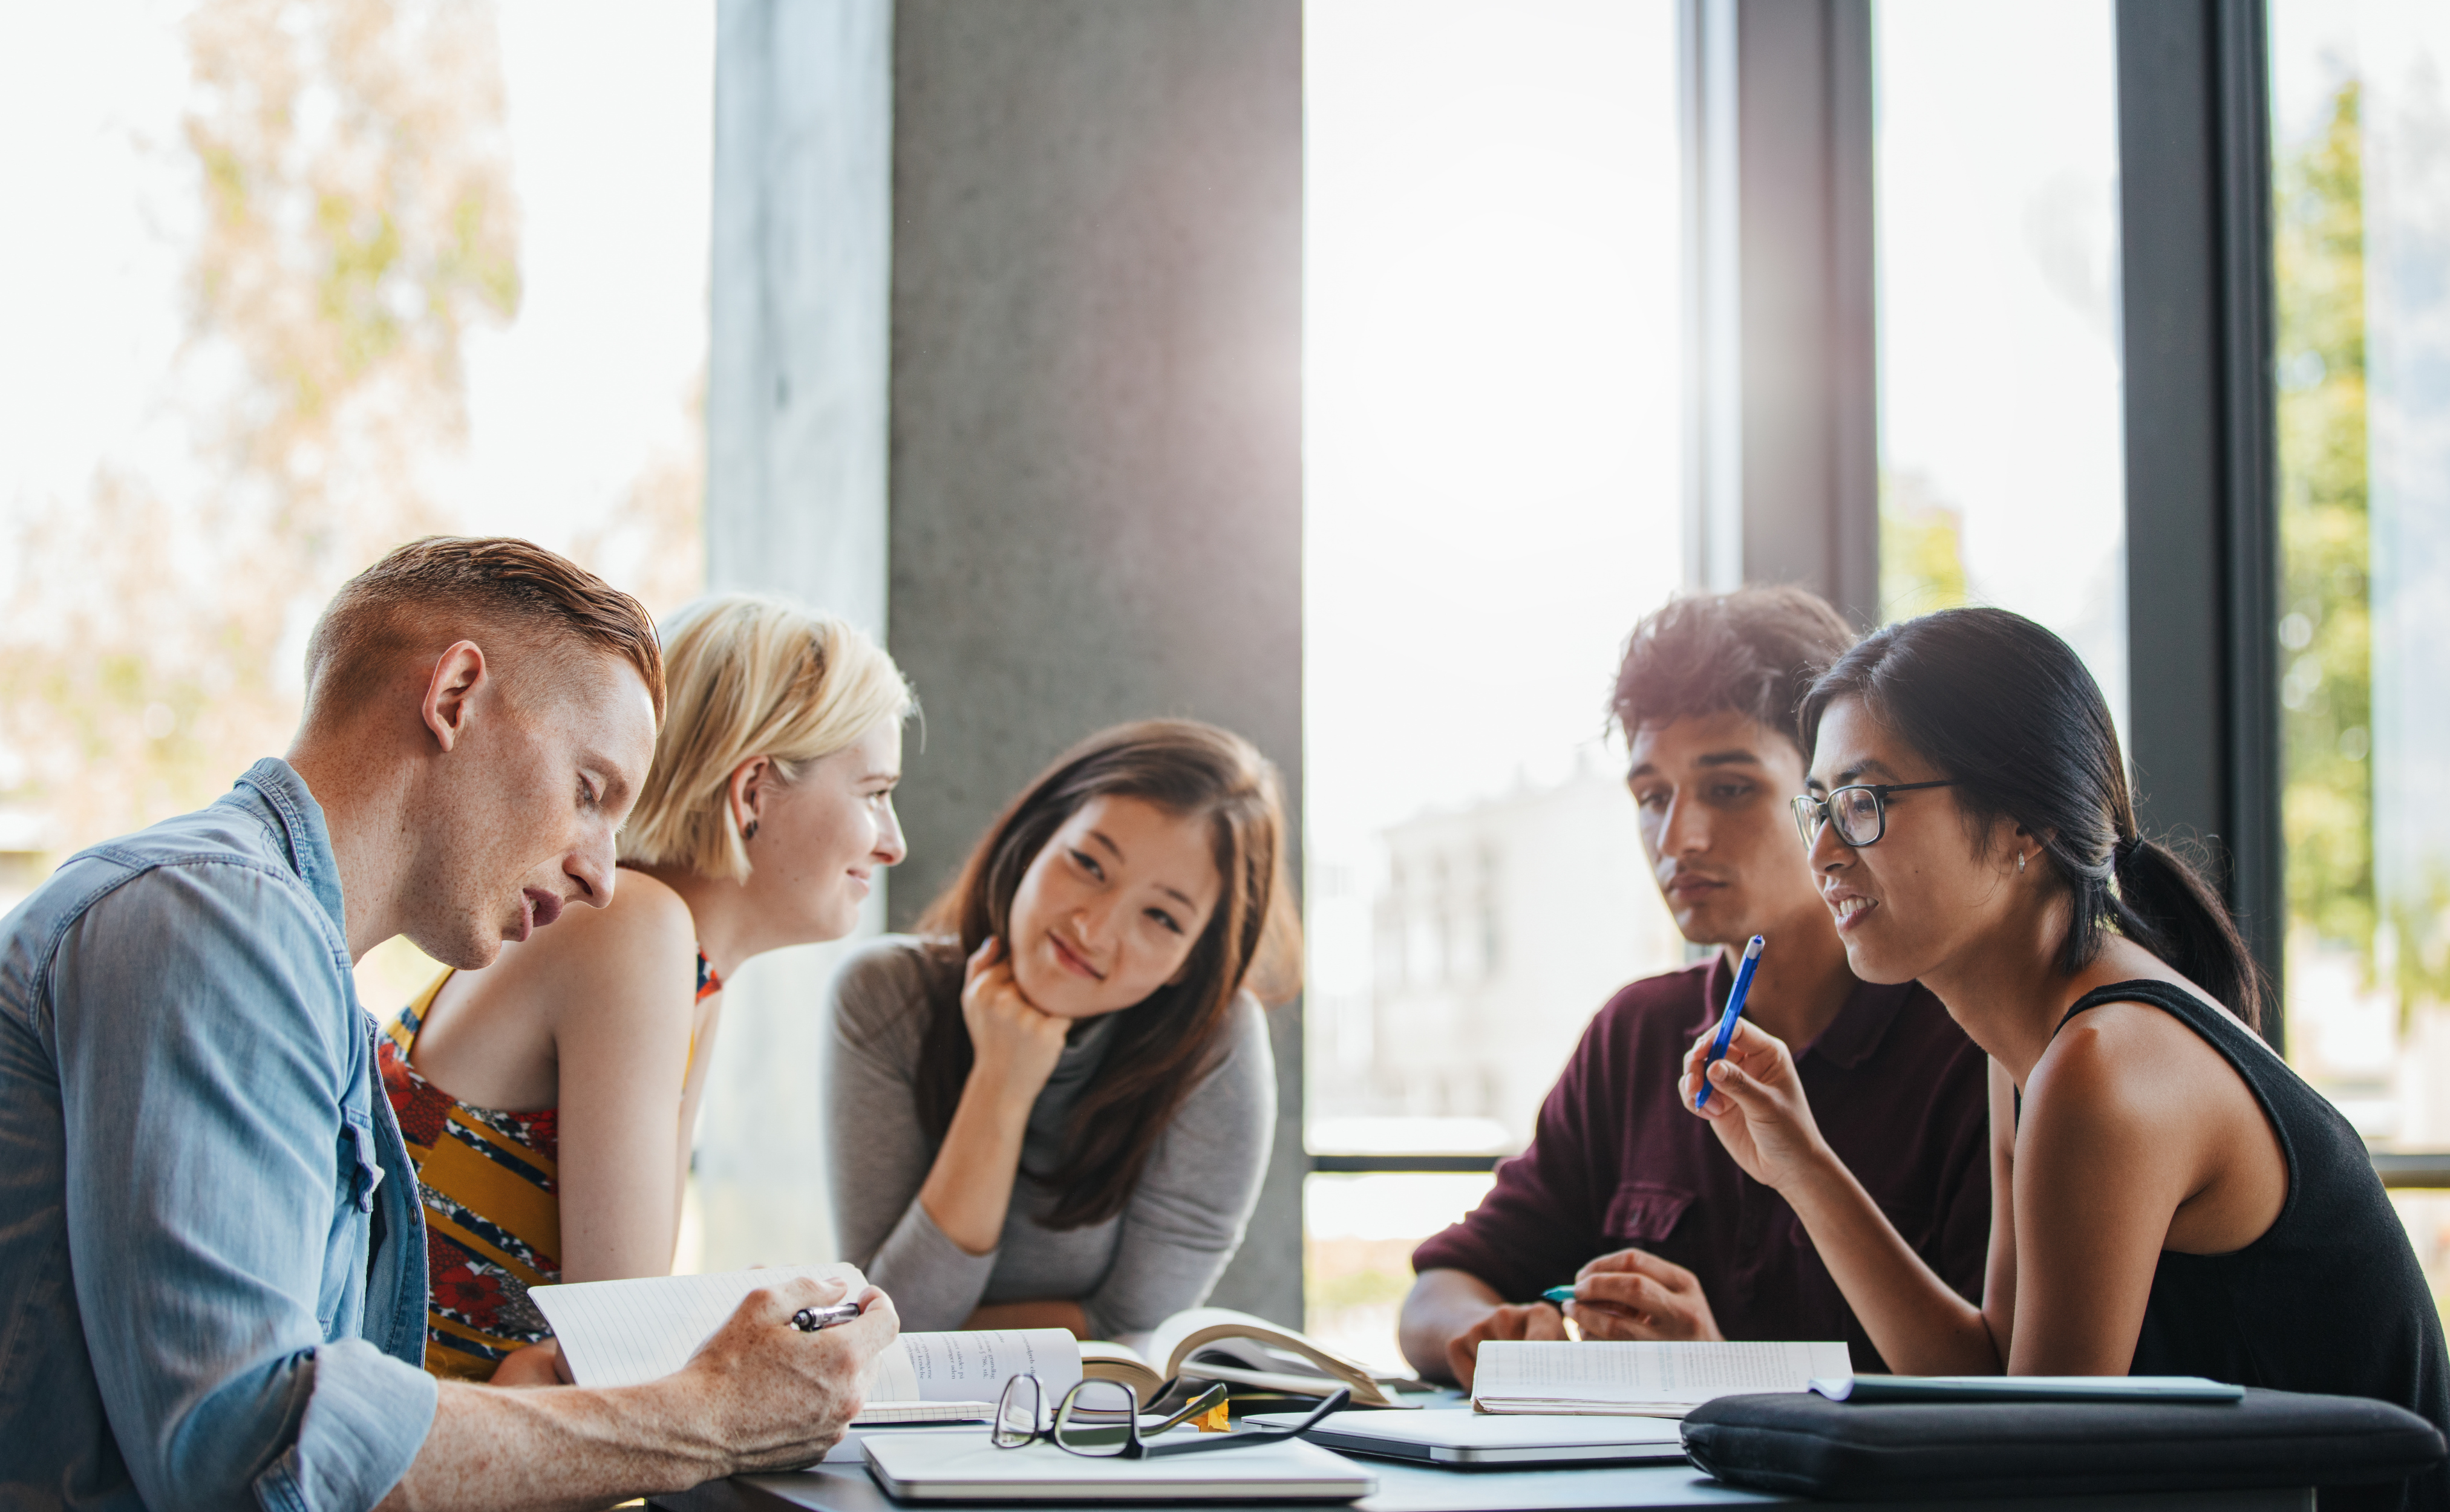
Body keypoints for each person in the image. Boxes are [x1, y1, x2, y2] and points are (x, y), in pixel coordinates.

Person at [0, 538, 898, 1512]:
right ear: (455, 696)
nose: (604, 872)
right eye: (588, 791)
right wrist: (712, 1414)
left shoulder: (286, 957)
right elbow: (259, 1450)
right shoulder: (218, 919)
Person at [1684, 605, 2449, 1511]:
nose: (1819, 853)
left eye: (1863, 803)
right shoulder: (2039, 1053)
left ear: (2021, 823)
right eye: (1816, 805)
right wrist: (1801, 1165)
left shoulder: (2102, 1065)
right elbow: (1993, 1378)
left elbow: (2031, 1475)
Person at [1399, 587, 1991, 1388]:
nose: (1678, 839)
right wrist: (1491, 1336)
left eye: (1731, 788)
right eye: (1651, 797)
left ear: (1833, 790)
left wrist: (1720, 1377)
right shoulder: (1637, 1034)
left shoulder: (1967, 1045)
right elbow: (1438, 1290)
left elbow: (1991, 1393)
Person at [379, 593, 913, 1383]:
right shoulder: (630, 926)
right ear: (754, 791)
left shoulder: (688, 965)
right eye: (873, 793)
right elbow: (618, 1350)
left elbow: (613, 1342)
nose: (894, 843)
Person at [826, 719, 1299, 1340]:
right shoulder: (884, 996)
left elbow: (1131, 1324)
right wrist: (1001, 1078)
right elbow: (890, 1321)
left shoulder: (1215, 1043)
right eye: (1088, 863)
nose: (1095, 928)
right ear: (1035, 839)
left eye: (1160, 916)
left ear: (1193, 959)